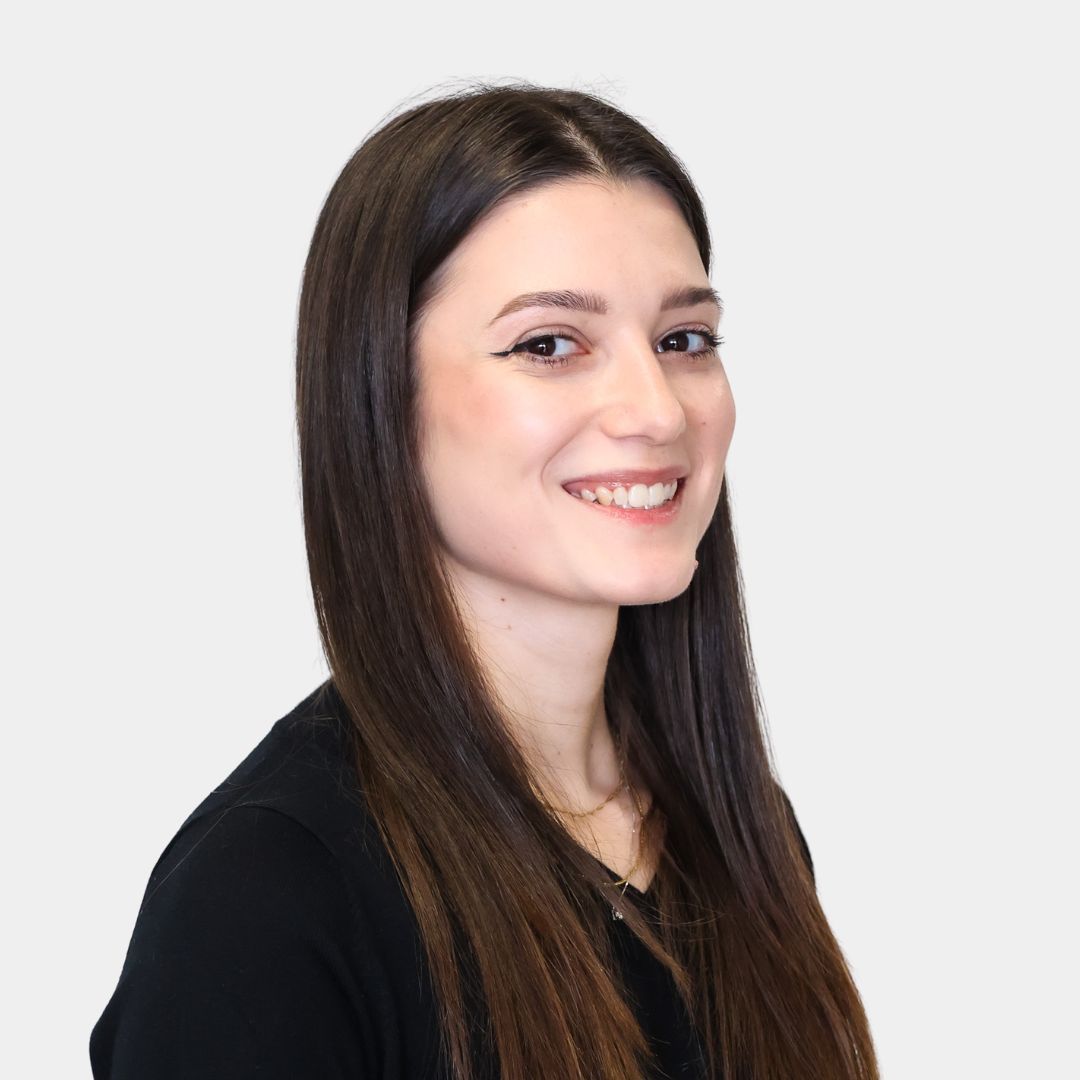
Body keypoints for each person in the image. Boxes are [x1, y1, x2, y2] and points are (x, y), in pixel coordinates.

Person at [90, 82, 879, 1079]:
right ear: (380, 396)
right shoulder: (267, 900)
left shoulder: (738, 828)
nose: (657, 410)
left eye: (683, 340)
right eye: (549, 345)